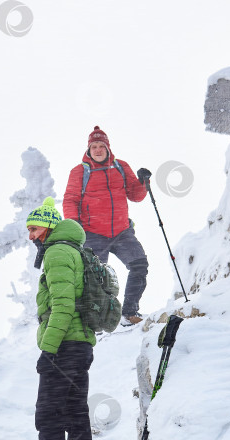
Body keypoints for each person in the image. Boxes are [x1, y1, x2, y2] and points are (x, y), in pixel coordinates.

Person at [19, 197, 96, 440]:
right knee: (76, 417)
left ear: (49, 226)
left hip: (64, 347)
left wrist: (47, 351)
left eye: (34, 228)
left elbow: (62, 306)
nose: (31, 235)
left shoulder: (57, 251)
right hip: (80, 346)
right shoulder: (73, 249)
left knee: (49, 420)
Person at [63, 126, 152, 326]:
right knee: (95, 281)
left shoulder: (121, 167)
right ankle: (97, 321)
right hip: (93, 233)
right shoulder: (79, 172)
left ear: (107, 147)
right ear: (88, 150)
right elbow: (70, 200)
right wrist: (75, 224)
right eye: (93, 146)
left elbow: (135, 196)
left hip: (122, 232)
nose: (97, 150)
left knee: (139, 266)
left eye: (101, 145)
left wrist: (143, 182)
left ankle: (129, 313)